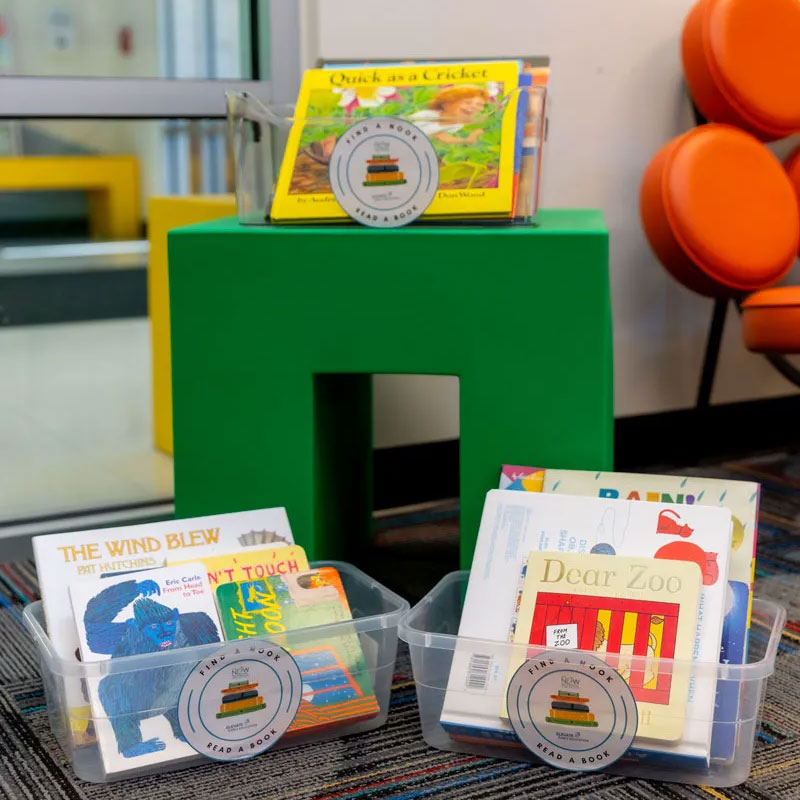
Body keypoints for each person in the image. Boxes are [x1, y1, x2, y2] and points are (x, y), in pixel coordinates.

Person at [409, 85, 489, 144]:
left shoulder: (466, 127)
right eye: (467, 102)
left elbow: (473, 138)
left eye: (479, 104)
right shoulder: (426, 114)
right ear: (446, 103)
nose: (473, 107)